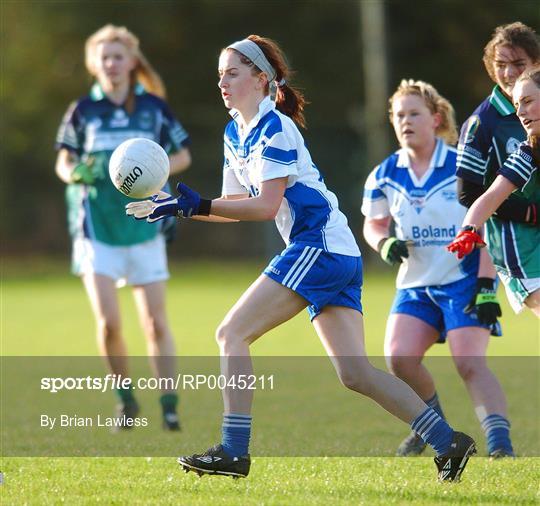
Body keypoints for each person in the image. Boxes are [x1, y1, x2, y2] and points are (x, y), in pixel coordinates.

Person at [126, 35, 476, 481]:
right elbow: (234, 208)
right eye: (219, 75)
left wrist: (196, 205)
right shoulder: (235, 132)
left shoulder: (276, 128)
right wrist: (176, 206)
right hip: (334, 252)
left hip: (319, 247)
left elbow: (266, 207)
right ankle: (450, 442)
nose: (223, 83)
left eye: (232, 73)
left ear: (260, 79)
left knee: (231, 333)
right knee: (355, 374)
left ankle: (234, 451)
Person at [362, 79, 514, 459]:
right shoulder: (384, 173)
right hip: (415, 286)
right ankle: (433, 428)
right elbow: (373, 223)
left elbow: (487, 223)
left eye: (414, 113)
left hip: (464, 281)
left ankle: (500, 446)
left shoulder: (462, 164)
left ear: (436, 118)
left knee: (469, 362)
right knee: (399, 359)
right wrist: (383, 243)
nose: (405, 121)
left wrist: (484, 284)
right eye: (399, 115)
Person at [55, 25, 191, 430]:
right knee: (110, 323)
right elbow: (62, 162)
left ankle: (169, 406)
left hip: (146, 227)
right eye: (104, 57)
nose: (111, 63)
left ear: (132, 62)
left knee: (155, 321)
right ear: (93, 64)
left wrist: (157, 168)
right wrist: (75, 172)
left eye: (118, 56)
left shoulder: (154, 109)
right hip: (97, 230)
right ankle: (125, 402)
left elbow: (182, 155)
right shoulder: (83, 111)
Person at [455, 22, 540, 314]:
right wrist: (469, 228)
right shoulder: (517, 145)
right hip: (520, 252)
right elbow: (480, 195)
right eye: (500, 64)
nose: (508, 73)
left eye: (518, 63)